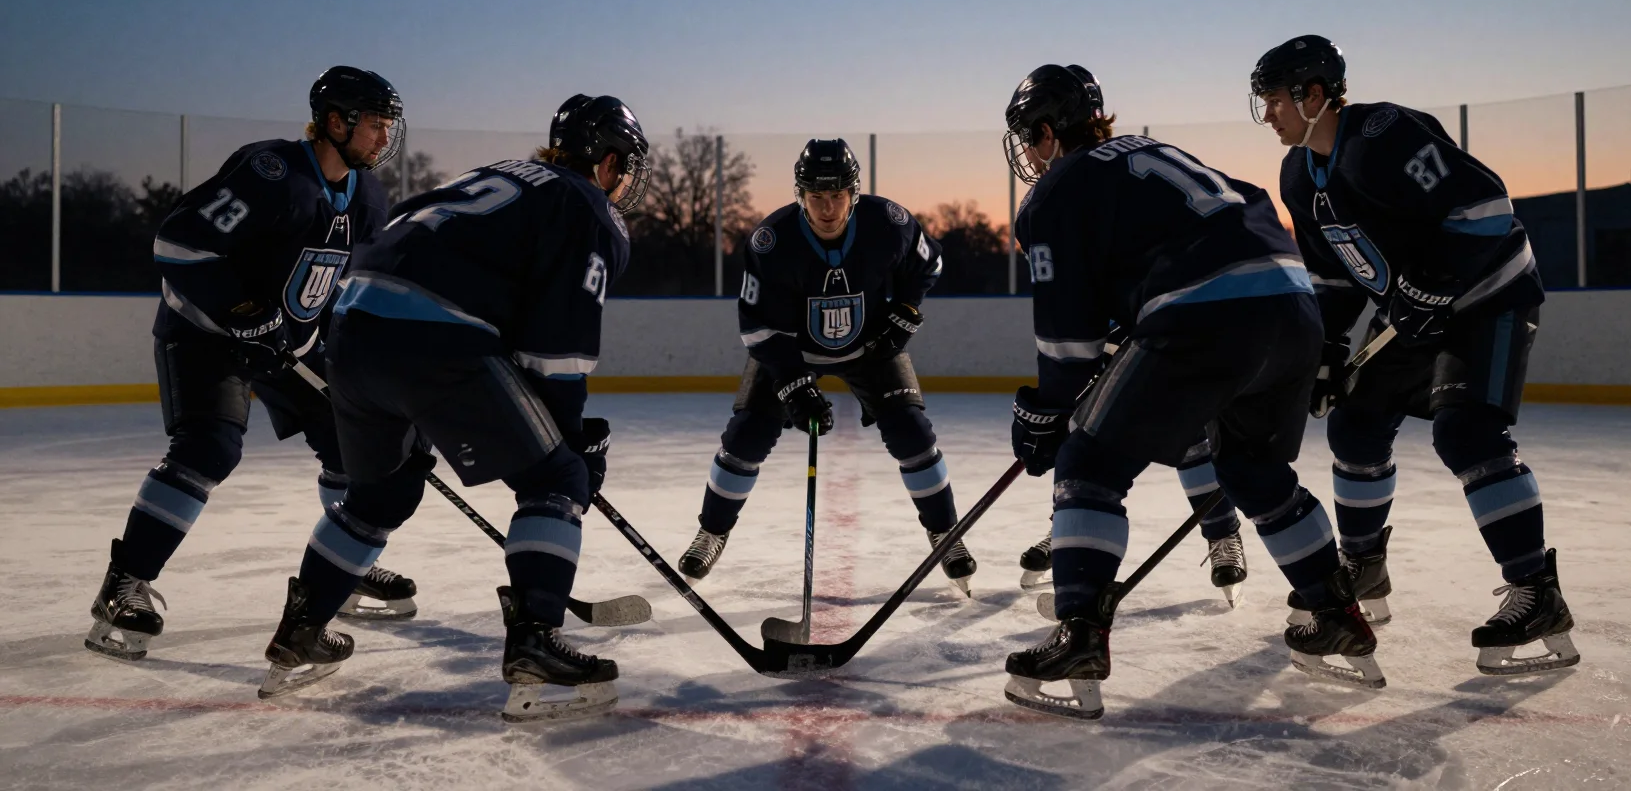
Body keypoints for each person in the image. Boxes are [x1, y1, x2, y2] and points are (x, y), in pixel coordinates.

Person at [1001, 63, 1377, 721]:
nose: (1028, 157)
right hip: (1292, 305)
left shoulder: (1058, 189)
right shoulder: (1152, 152)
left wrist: (1042, 411)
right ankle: (1335, 611)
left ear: (1046, 131)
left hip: (1205, 311)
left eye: (1028, 140)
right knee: (1253, 468)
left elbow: (1068, 349)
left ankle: (1080, 636)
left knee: (1086, 462)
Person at [256, 94, 649, 723]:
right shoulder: (586, 206)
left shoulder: (496, 175)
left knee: (378, 497)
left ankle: (301, 629)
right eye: (624, 165)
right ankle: (535, 644)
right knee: (555, 479)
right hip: (433, 337)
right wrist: (569, 439)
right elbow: (558, 349)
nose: (624, 180)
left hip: (352, 331)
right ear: (606, 161)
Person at [1252, 34, 1578, 675]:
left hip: (1490, 297)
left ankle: (1538, 590)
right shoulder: (1298, 174)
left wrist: (1432, 278)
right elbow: (1335, 277)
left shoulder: (1383, 134)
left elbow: (1486, 206)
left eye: (1275, 100)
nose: (1269, 115)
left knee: (1468, 432)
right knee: (1355, 424)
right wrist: (1325, 352)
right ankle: (1364, 568)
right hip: (1415, 314)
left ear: (1314, 94)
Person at [85, 66, 415, 662]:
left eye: (388, 124)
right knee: (209, 448)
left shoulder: (366, 196)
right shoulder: (273, 174)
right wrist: (241, 310)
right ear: (335, 121)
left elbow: (339, 284)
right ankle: (124, 584)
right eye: (374, 123)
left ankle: (344, 570)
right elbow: (178, 244)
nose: (384, 136)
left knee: (353, 444)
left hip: (286, 342)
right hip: (206, 333)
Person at [675, 139, 978, 594]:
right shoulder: (772, 242)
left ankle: (945, 534)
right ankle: (712, 532)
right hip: (792, 351)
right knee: (746, 437)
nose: (828, 208)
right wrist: (795, 384)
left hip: (872, 345)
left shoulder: (888, 224)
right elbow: (757, 328)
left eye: (837, 195)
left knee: (913, 434)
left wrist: (908, 310)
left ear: (854, 193)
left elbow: (929, 264)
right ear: (800, 194)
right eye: (816, 196)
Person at [1016, 323, 1249, 608]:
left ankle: (1222, 534)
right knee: (1083, 439)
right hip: (1123, 341)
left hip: (1183, 335)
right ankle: (1069, 530)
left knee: (1189, 431)